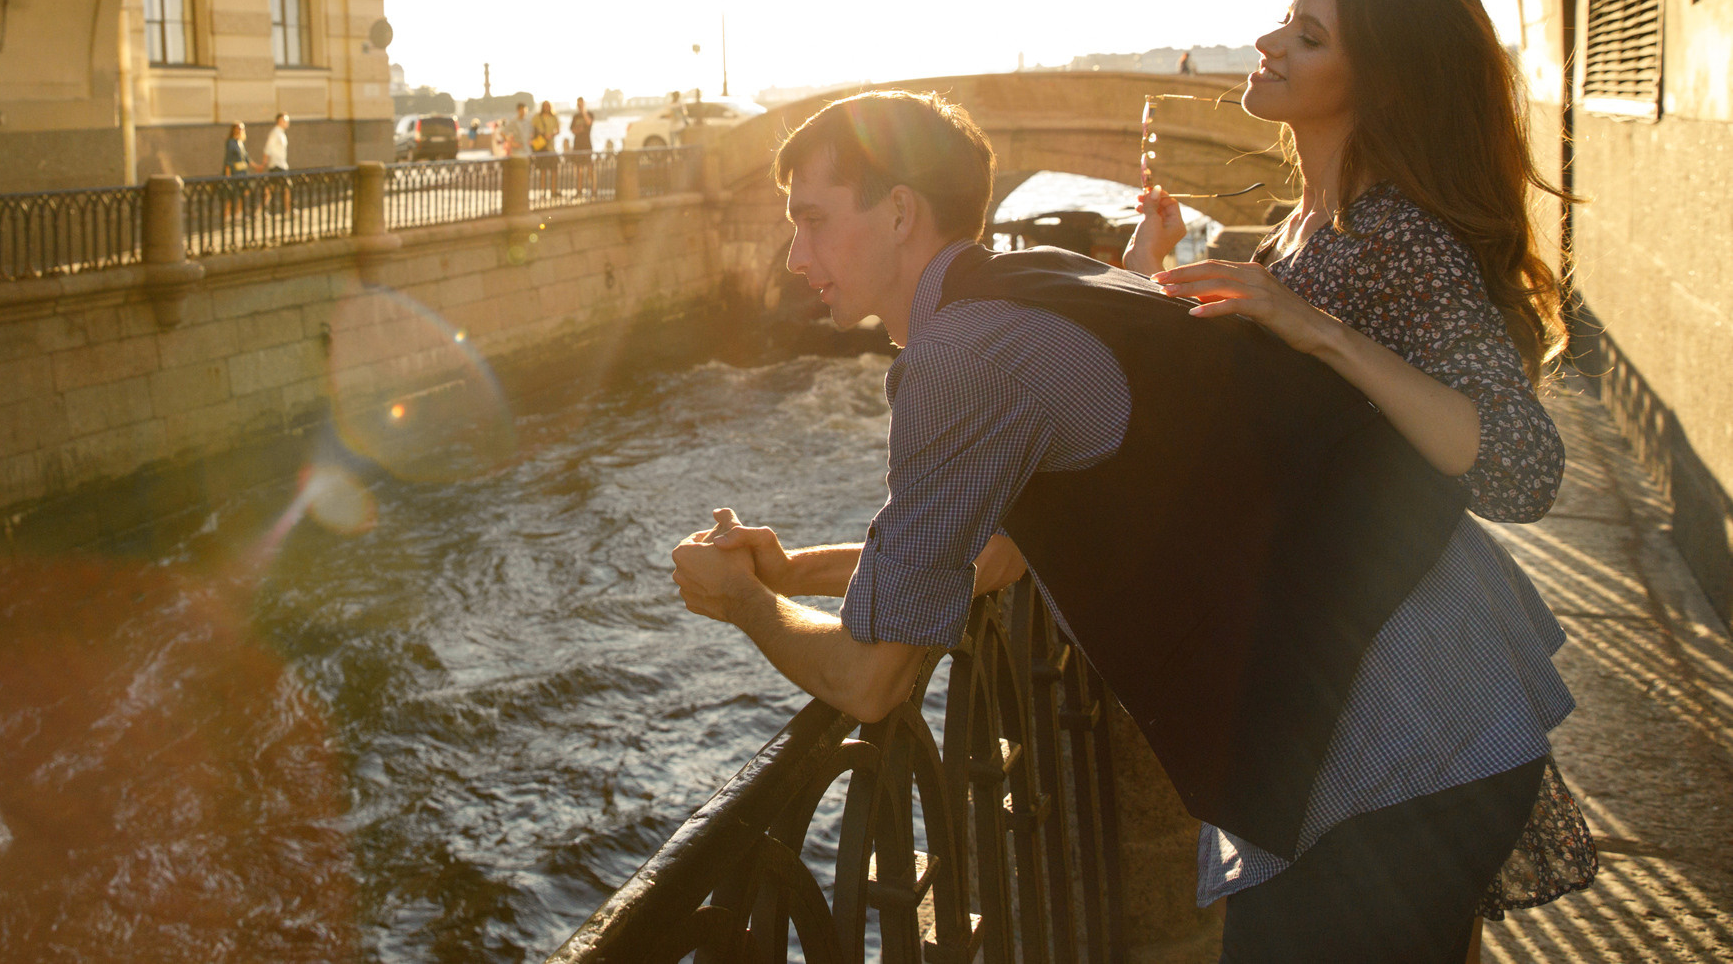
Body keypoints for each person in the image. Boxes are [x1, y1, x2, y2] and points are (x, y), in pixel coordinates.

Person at [670, 89, 1572, 963]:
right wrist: (792, 572)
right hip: (1447, 656)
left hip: (1382, 733)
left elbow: (871, 680)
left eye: (813, 219)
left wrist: (742, 601)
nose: (795, 255)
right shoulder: (1040, 283)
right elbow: (995, 554)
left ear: (901, 211)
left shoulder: (959, 355)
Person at [1124, 0, 1594, 941]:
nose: (1266, 43)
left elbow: (1520, 467)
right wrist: (1146, 264)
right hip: (1351, 698)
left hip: (1420, 714)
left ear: (1378, 82)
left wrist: (1318, 331)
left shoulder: (1394, 236)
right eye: (1284, 22)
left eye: (1307, 37)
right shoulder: (1299, 231)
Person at [262, 112, 292, 216]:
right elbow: (268, 148)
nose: (287, 122)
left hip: (281, 165)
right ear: (279, 121)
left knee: (271, 189)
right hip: (276, 165)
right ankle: (288, 210)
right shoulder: (275, 133)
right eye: (285, 120)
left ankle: (261, 210)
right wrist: (264, 163)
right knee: (285, 187)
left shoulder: (282, 133)